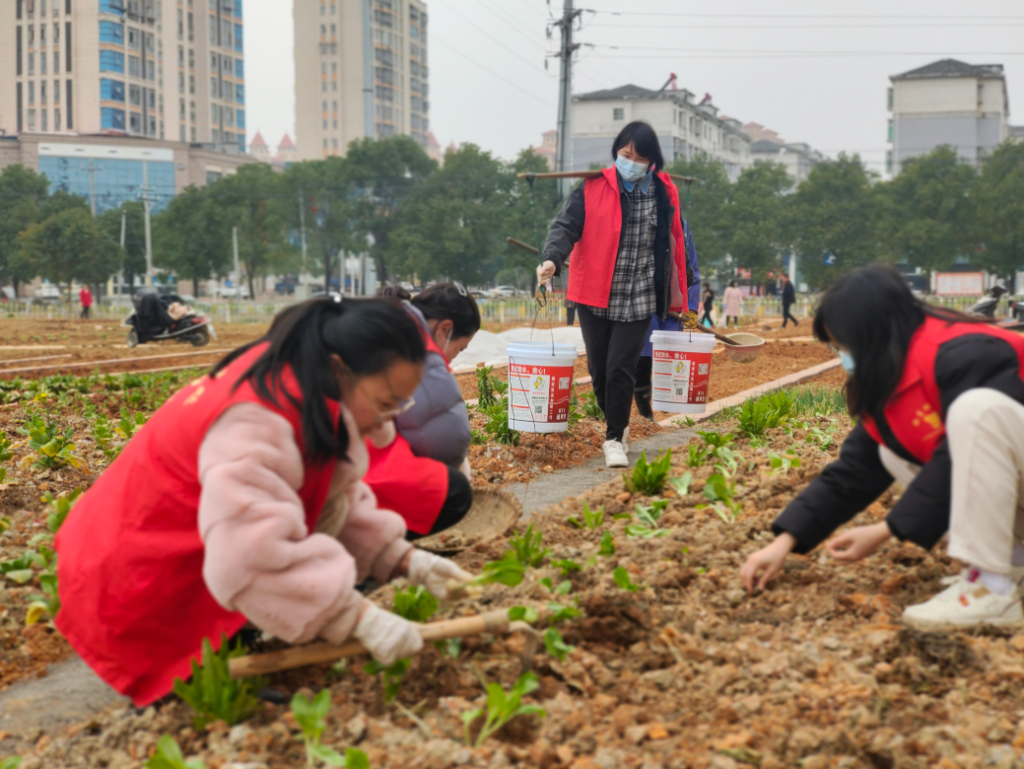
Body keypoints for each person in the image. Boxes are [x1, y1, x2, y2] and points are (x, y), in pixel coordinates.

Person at [54, 298, 475, 707]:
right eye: (386, 404)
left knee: (239, 651)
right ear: (339, 369)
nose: (390, 420)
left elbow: (327, 499)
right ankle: (181, 681)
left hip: (180, 551)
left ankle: (222, 647)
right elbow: (246, 557)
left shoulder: (310, 384)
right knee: (202, 700)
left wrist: (402, 559)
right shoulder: (257, 419)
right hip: (133, 580)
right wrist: (358, 619)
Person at [740, 265, 1024, 629]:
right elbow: (854, 470)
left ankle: (991, 590)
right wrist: (784, 541)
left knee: (976, 413)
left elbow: (954, 460)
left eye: (843, 346)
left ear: (872, 334)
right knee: (891, 448)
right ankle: (1011, 563)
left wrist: (887, 528)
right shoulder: (897, 369)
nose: (842, 356)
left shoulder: (965, 353)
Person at [537, 121, 692, 467]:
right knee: (599, 370)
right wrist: (552, 258)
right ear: (616, 153)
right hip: (594, 291)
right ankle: (617, 423)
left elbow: (675, 240)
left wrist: (681, 283)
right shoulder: (592, 187)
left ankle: (613, 438)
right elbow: (565, 226)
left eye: (638, 157)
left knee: (621, 366)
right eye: (625, 154)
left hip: (638, 292)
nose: (630, 161)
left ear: (652, 160)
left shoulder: (664, 192)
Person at [366, 283, 481, 539]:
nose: (452, 358)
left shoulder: (384, 324)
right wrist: (460, 466)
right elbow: (449, 442)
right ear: (444, 330)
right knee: (455, 490)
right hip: (353, 479)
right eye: (459, 348)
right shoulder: (421, 353)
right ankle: (384, 540)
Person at [634, 218, 701, 421]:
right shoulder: (635, 219)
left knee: (670, 353)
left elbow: (693, 269)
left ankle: (665, 399)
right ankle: (645, 411)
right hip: (643, 301)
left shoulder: (680, 225)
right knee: (644, 356)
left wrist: (692, 306)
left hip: (673, 303)